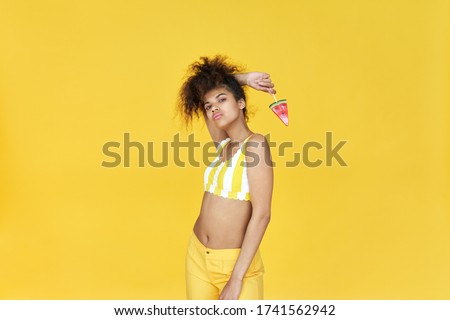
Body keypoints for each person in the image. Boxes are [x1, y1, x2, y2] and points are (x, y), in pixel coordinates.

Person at [178, 55, 275, 300]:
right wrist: (238, 81)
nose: (214, 108)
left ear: (241, 103)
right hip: (197, 257)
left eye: (222, 99)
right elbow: (202, 90)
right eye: (210, 106)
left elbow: (262, 215)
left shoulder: (255, 145)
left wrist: (236, 278)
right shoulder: (223, 144)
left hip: (234, 264)